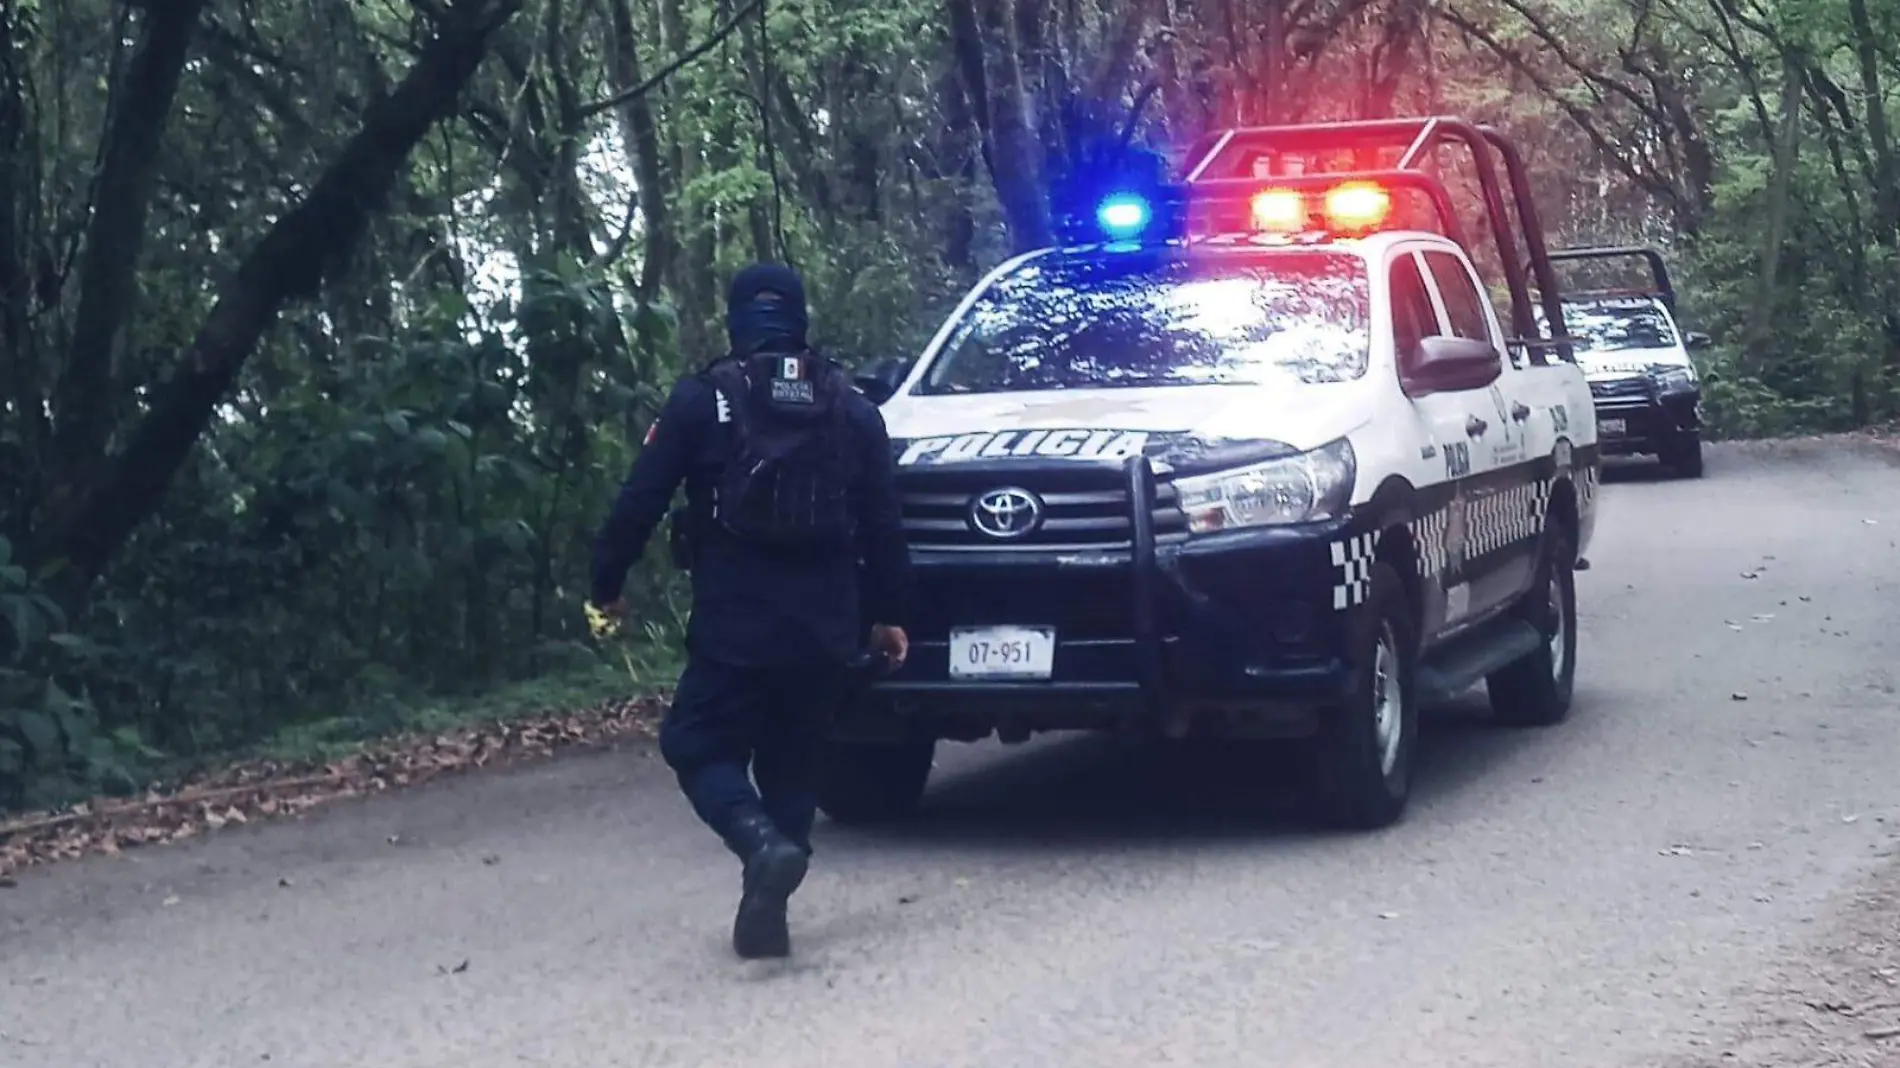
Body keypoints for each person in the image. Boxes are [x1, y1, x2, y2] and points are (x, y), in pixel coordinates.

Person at [588, 262, 912, 960]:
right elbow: (885, 526)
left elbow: (638, 501)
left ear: (737, 322)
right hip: (827, 628)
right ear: (801, 319)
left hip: (735, 627)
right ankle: (767, 899)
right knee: (794, 764)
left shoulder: (701, 402)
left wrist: (604, 583)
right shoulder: (853, 409)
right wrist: (889, 614)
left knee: (695, 744)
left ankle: (757, 842)